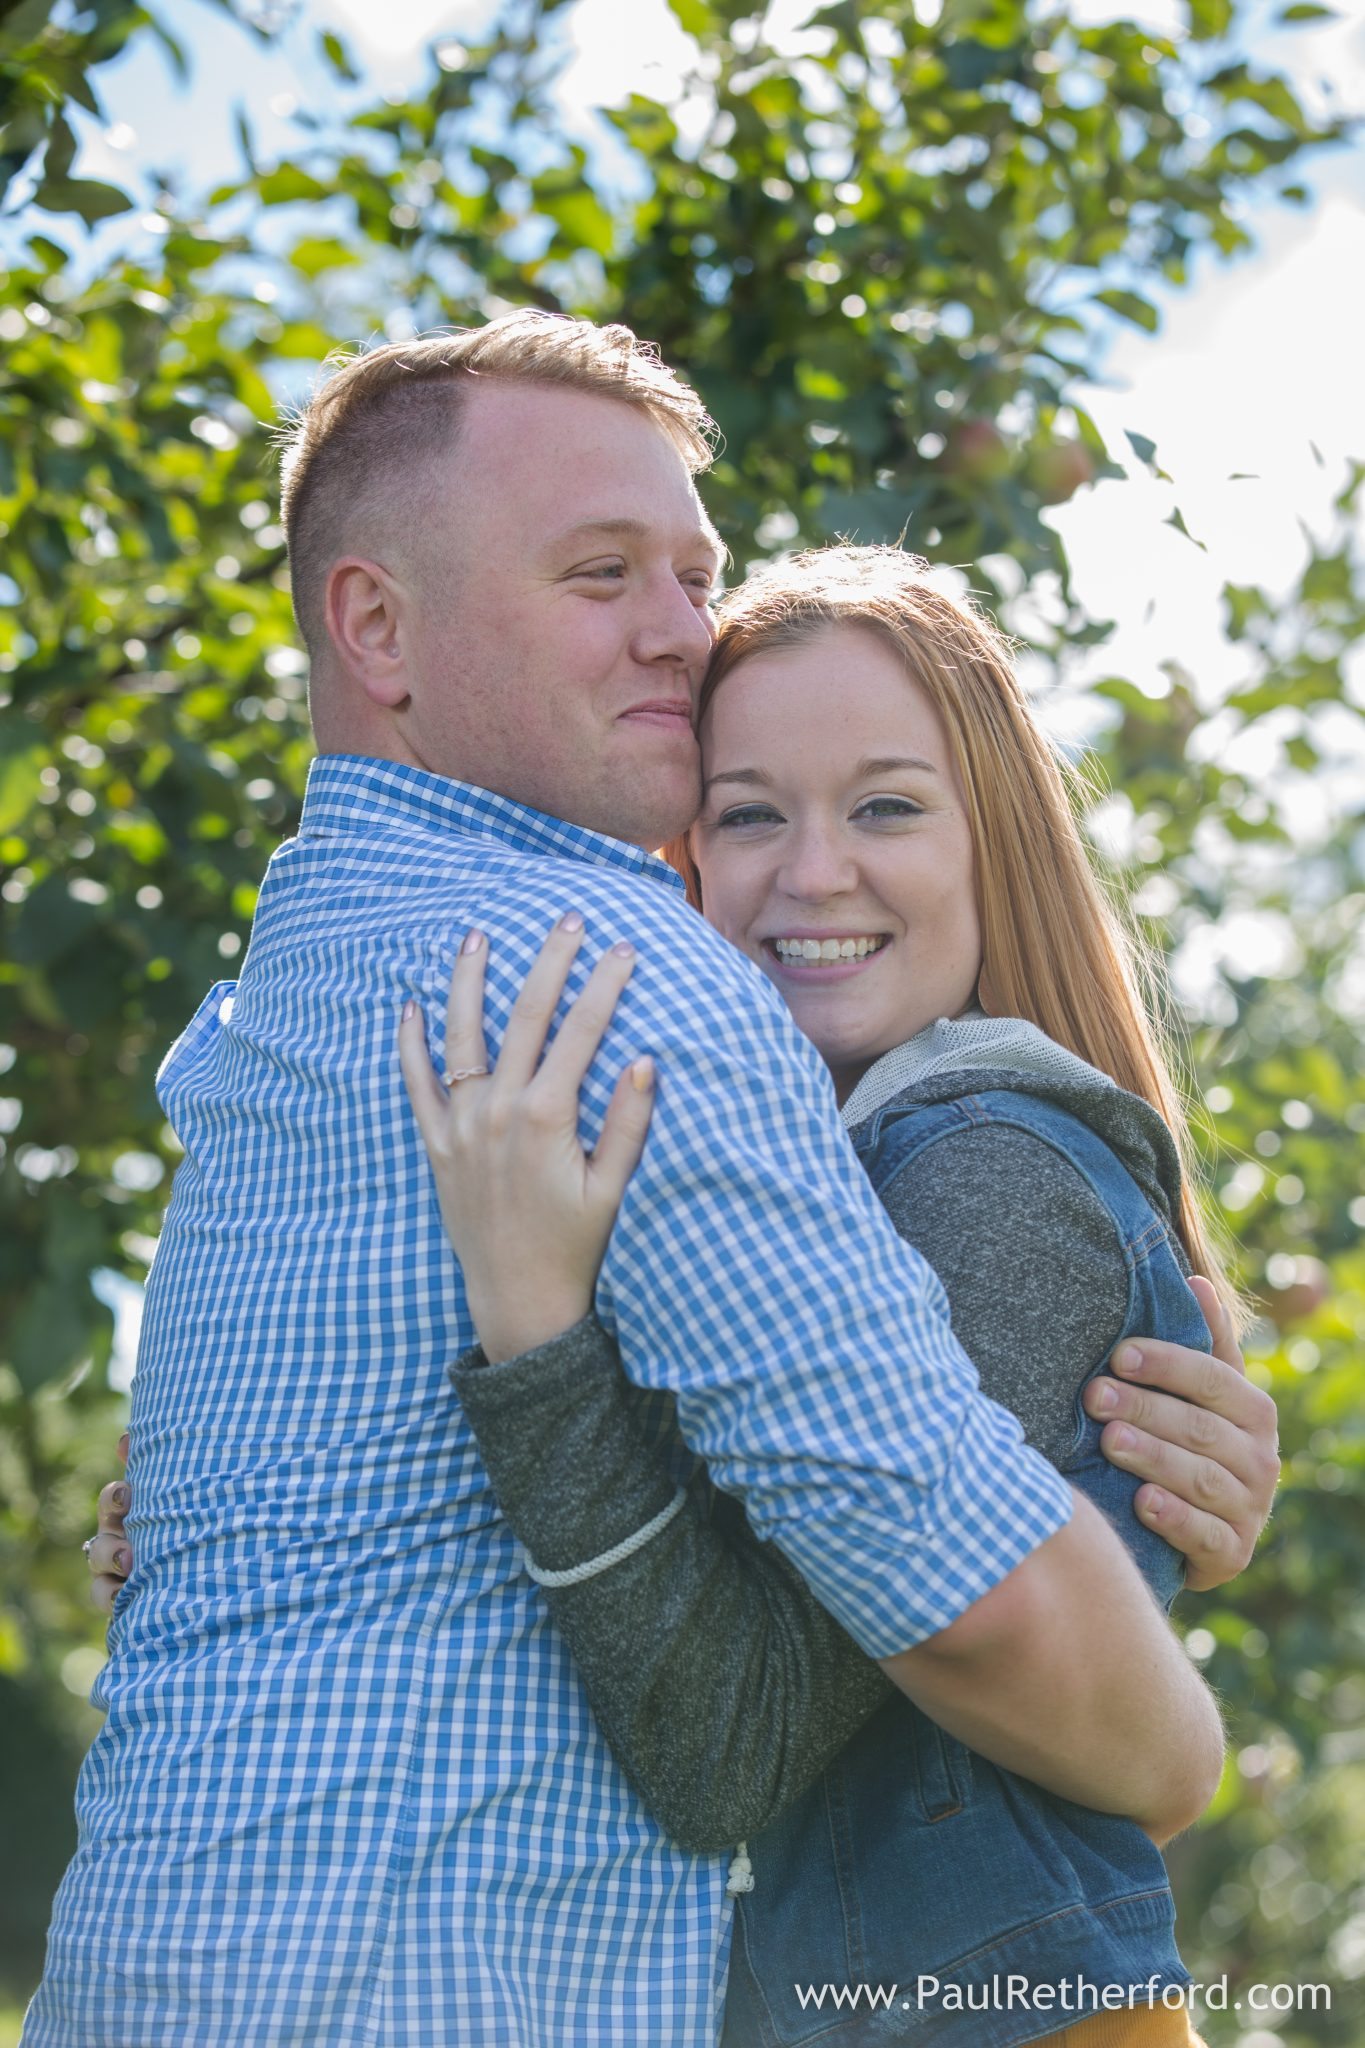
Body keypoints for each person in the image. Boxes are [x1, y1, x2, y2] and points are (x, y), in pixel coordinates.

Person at [38, 314, 1255, 2048]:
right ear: (371, 623)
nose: (676, 631)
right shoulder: (615, 976)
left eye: (693, 572)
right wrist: (1181, 1744)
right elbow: (963, 1632)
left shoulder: (270, 1006)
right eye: (600, 572)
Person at [388, 544, 1279, 2043]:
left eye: (884, 805)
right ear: (682, 862)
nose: (812, 874)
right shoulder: (784, 1199)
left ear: (989, 840)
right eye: (747, 814)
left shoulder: (987, 1168)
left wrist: (532, 1331)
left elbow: (723, 1736)